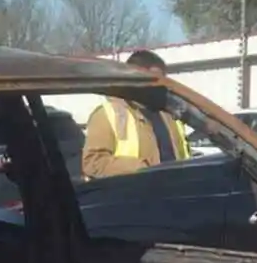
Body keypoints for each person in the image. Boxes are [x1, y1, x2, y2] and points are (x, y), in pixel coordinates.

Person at [81, 50, 190, 179]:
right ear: (133, 77)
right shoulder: (108, 114)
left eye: (162, 81)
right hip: (132, 194)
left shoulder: (169, 113)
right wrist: (141, 168)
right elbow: (93, 162)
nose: (160, 86)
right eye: (154, 80)